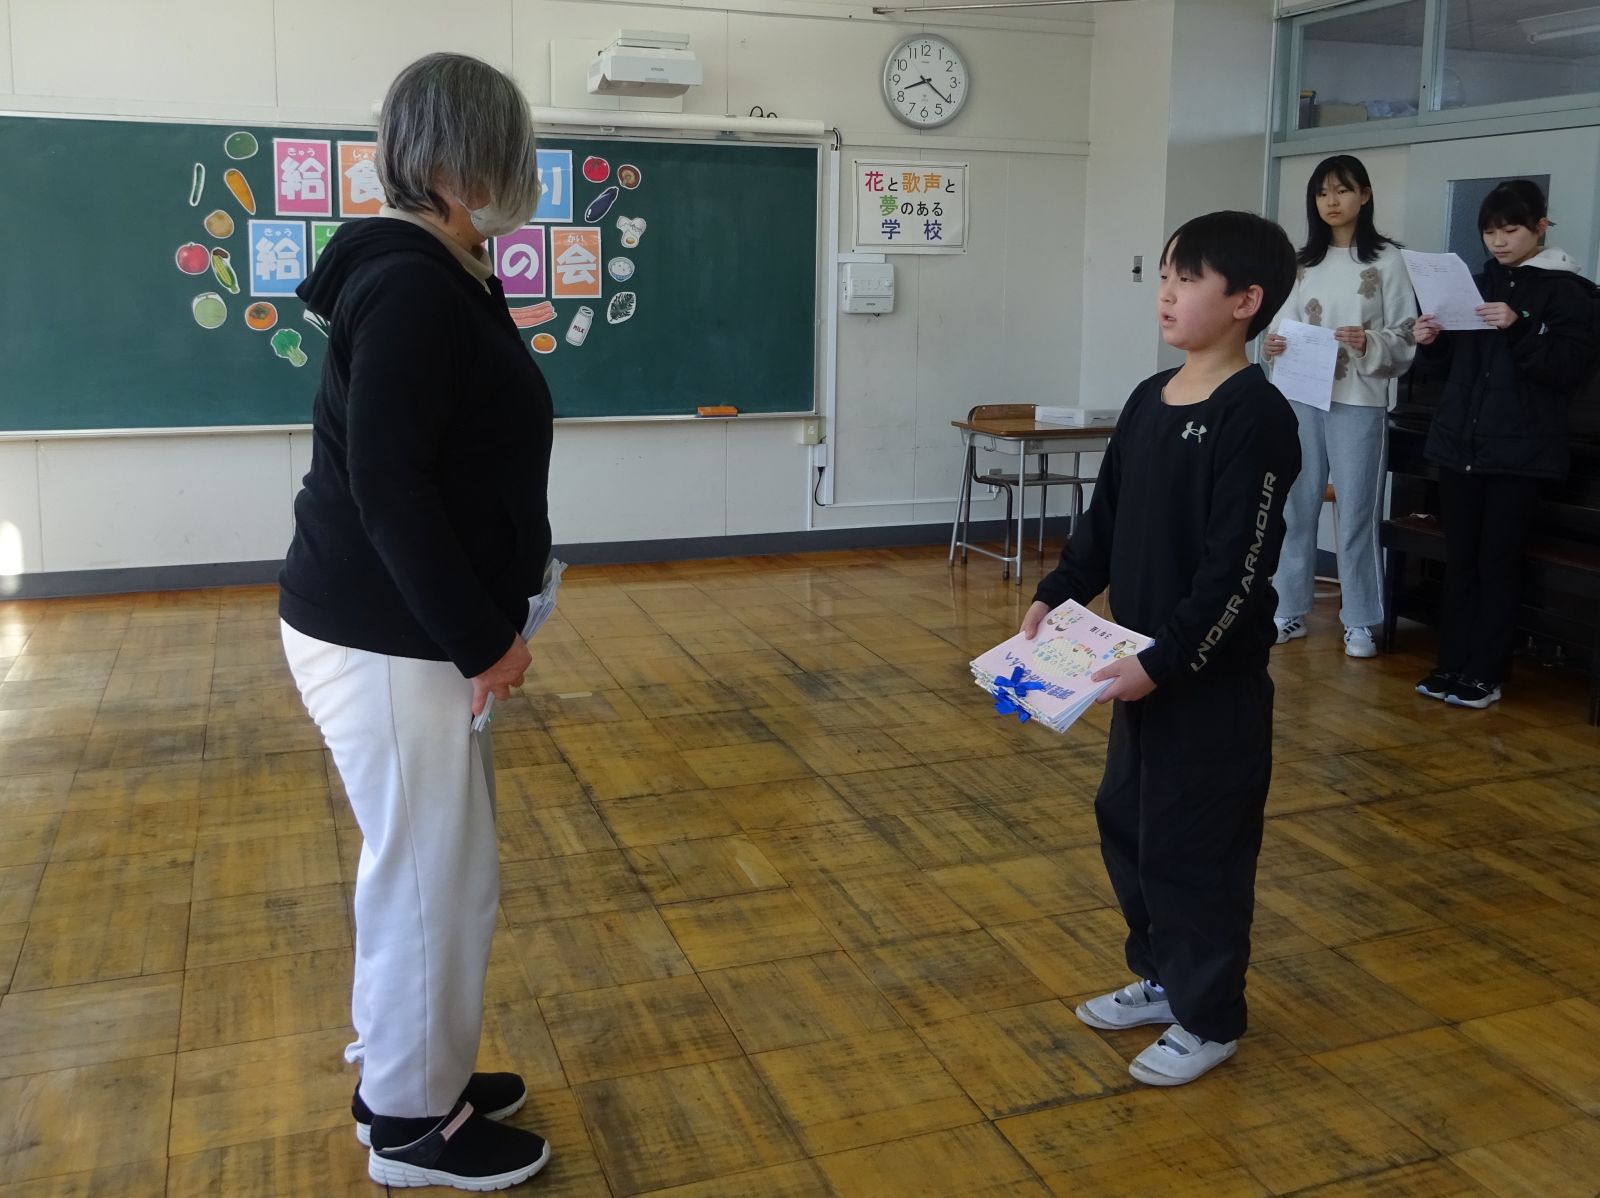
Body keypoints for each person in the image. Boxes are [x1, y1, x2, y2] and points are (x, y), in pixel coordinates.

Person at [278, 52, 554, 1189]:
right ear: (459, 161)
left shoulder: (442, 270)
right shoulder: (408, 284)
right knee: (433, 880)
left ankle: (410, 1074)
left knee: (436, 871)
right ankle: (410, 1125)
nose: (520, 177)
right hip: (389, 637)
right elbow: (389, 487)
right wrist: (483, 640)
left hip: (399, 632)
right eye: (509, 156)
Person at [1021, 211, 1300, 1086]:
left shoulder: (1256, 415)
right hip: (1134, 669)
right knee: (1130, 824)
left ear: (1246, 301)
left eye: (1189, 279)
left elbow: (1238, 571)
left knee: (1196, 847)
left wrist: (1164, 661)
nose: (1168, 294)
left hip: (1205, 681)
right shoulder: (1149, 398)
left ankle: (1210, 1017)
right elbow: (1105, 520)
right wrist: (1058, 591)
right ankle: (1163, 976)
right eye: (1166, 276)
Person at [1412, 179, 1598, 709]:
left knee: (1497, 562)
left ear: (1541, 227)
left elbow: (1569, 369)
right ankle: (1451, 663)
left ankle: (1486, 673)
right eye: (1489, 231)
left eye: (1510, 229)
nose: (1498, 241)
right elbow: (1445, 370)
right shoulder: (1472, 285)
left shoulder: (1569, 292)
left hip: (1520, 451)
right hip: (1460, 445)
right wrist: (1431, 342)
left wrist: (1521, 328)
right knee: (1460, 561)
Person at [1264, 155, 1417, 658]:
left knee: (1357, 511)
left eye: (1343, 190)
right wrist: (1271, 346)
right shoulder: (1300, 264)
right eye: (1322, 192)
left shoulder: (1388, 260)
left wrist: (1368, 340)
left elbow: (1406, 334)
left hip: (1359, 398)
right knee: (1294, 506)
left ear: (1365, 195)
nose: (1332, 201)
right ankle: (1287, 609)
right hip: (1300, 397)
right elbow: (1279, 329)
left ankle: (1361, 620)